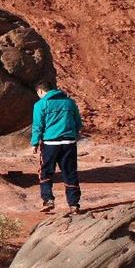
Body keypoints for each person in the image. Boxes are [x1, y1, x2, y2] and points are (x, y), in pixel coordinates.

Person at [30, 80, 82, 214]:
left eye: (38, 93)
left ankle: (48, 200)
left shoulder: (41, 104)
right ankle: (74, 205)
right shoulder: (70, 102)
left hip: (50, 144)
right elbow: (78, 123)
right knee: (70, 172)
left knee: (45, 171)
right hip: (69, 144)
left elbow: (38, 126)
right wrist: (72, 135)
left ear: (41, 91)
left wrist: (34, 143)